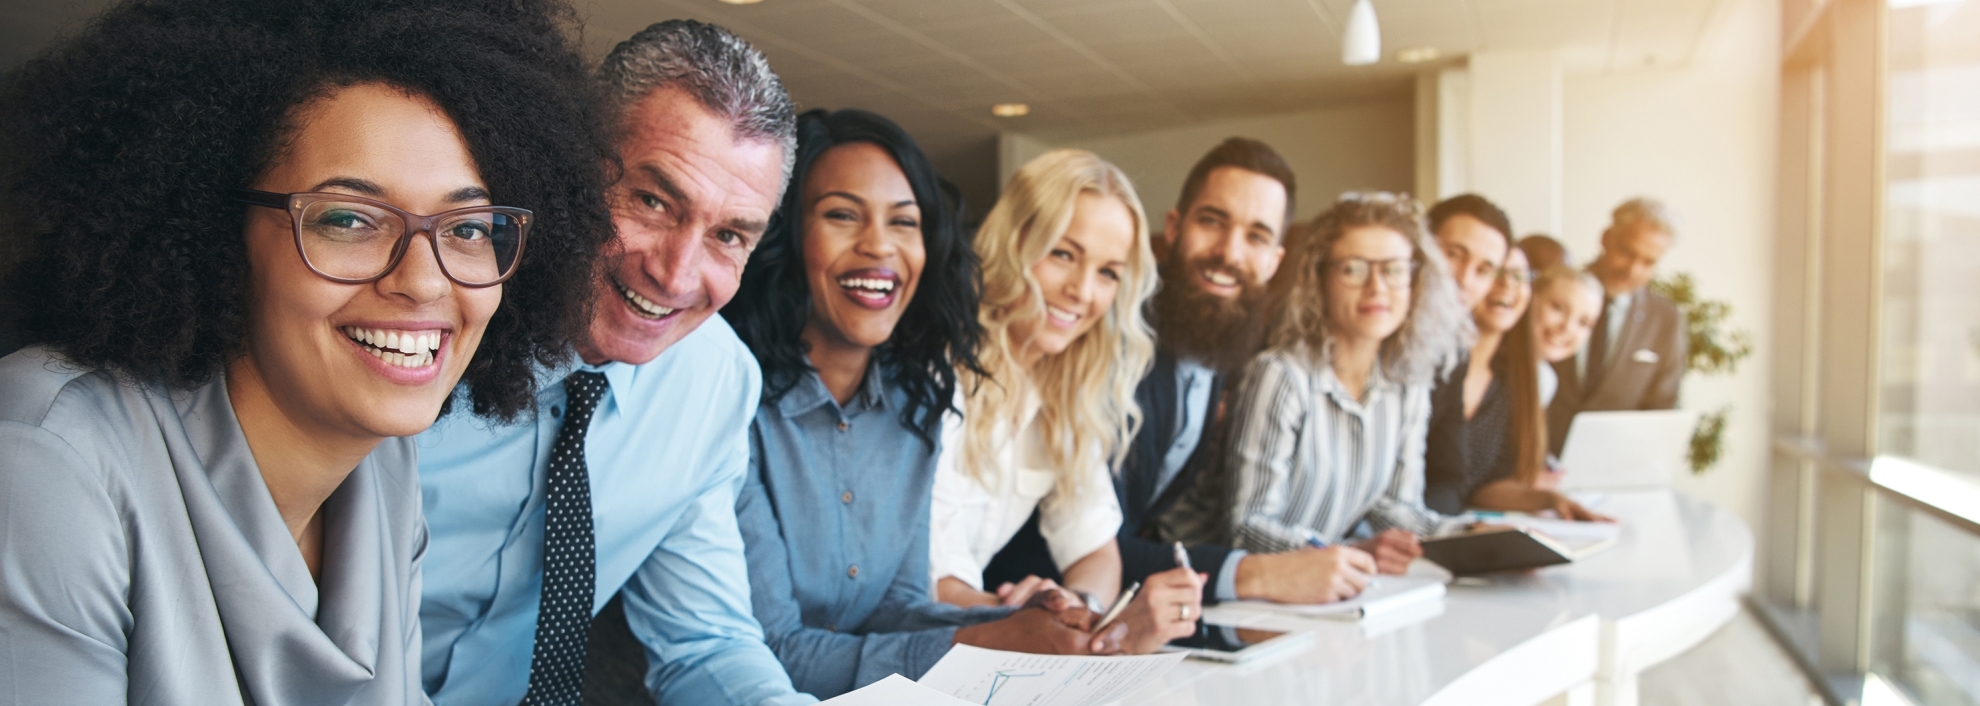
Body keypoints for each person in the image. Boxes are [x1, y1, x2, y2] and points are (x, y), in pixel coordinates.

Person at [0, 0, 612, 703]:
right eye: (348, 219)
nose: (422, 280)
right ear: (217, 229)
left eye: (469, 228)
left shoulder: (383, 464)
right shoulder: (44, 459)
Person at [415, 20, 809, 706]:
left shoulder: (715, 381)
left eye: (728, 235)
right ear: (569, 165)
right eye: (653, 201)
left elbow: (705, 640)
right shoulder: (424, 323)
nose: (677, 275)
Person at [722, 109, 1121, 698]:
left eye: (903, 223)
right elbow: (772, 649)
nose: (879, 245)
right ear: (786, 234)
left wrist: (1036, 622)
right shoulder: (734, 404)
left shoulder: (915, 404)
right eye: (841, 215)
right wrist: (983, 642)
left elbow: (897, 606)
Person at [993, 138, 1375, 606]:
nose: (1229, 253)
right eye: (1213, 222)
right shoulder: (1098, 339)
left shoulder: (1217, 344)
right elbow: (1089, 539)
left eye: (1255, 237)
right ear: (1174, 227)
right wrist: (1256, 574)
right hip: (1008, 599)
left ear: (1275, 260)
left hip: (1089, 605)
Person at [928, 149, 1202, 655]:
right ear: (1015, 242)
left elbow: (1097, 551)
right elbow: (926, 581)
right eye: (1063, 254)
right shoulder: (934, 373)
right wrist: (1027, 613)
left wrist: (1076, 602)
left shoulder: (1064, 391)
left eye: (1108, 272)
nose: (1082, 291)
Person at [1187, 193, 1471, 563]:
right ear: (1319, 279)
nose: (1377, 287)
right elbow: (1247, 528)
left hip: (1331, 588)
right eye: (1354, 269)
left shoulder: (1409, 382)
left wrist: (1472, 533)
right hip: (1248, 592)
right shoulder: (1279, 376)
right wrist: (1346, 552)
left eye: (1395, 270)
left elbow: (1396, 509)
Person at [1421, 248, 1608, 521]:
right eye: (1557, 307)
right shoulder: (1444, 361)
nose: (1567, 327)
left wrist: (1550, 499)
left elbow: (1481, 485)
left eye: (1584, 322)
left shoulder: (1526, 382)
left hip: (1451, 524)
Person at [1546, 198, 1687, 454]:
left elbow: (1661, 407)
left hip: (1614, 466)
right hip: (1534, 461)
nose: (1633, 270)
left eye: (1648, 262)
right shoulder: (1552, 293)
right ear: (1606, 238)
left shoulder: (1665, 318)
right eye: (1627, 253)